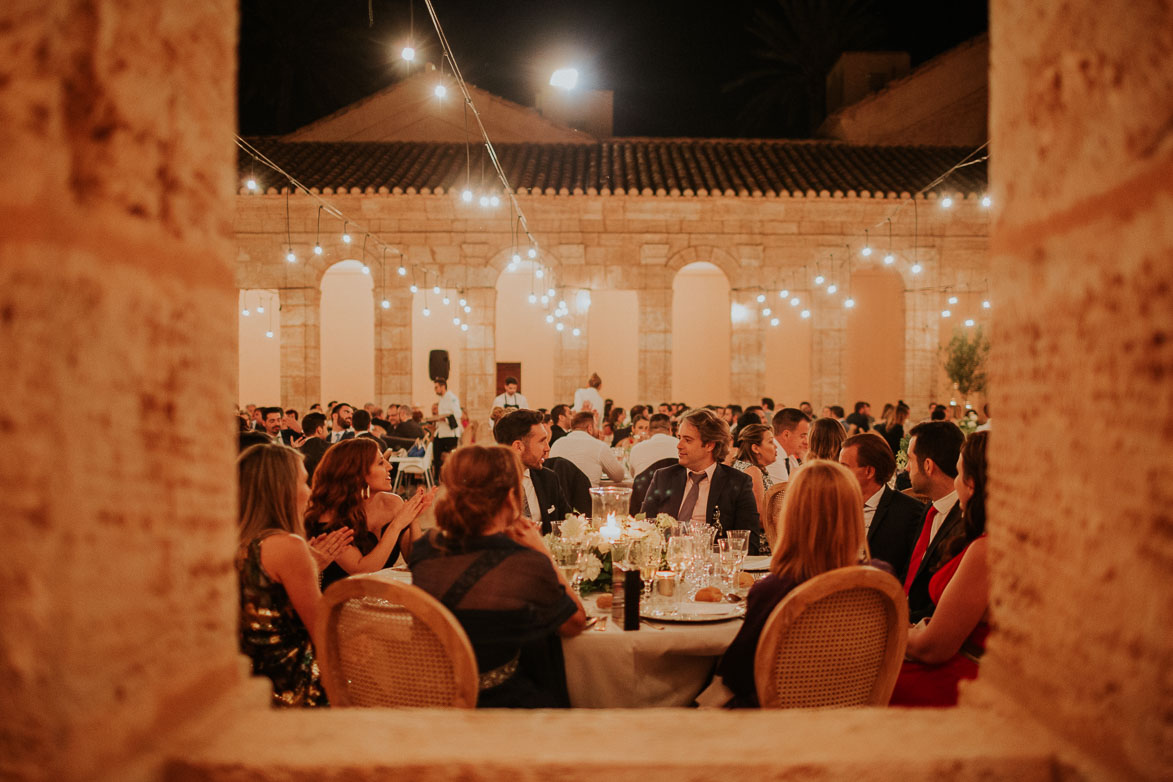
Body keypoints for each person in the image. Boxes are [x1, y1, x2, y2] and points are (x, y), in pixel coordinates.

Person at [409, 445, 586, 708]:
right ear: (511, 497)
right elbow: (575, 622)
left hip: (439, 697)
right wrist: (543, 552)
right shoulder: (523, 562)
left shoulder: (425, 549)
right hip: (503, 703)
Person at [713, 460, 892, 707]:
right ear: (854, 513)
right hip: (855, 715)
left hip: (780, 724)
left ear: (792, 515)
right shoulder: (880, 581)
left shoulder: (775, 590)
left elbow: (737, 676)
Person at [235, 443, 353, 707]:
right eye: (304, 481)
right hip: (292, 689)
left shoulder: (238, 543)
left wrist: (313, 567)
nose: (310, 493)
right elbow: (321, 631)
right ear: (283, 489)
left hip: (250, 683)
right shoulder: (288, 546)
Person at [890, 431, 990, 706]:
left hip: (968, 672)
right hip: (953, 649)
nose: (954, 482)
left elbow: (934, 649)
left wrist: (889, 632)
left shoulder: (985, 550)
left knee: (864, 679)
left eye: (958, 474)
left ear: (970, 483)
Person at [304, 438, 434, 591]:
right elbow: (361, 570)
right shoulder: (329, 516)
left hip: (380, 597)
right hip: (342, 602)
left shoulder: (393, 503)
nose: (390, 466)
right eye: (380, 463)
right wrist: (397, 525)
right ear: (357, 473)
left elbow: (415, 561)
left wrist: (413, 516)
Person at [640, 408, 766, 554]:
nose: (679, 445)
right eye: (679, 437)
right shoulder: (664, 478)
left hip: (713, 568)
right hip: (668, 565)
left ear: (709, 445)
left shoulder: (738, 483)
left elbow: (748, 544)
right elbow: (644, 527)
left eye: (687, 440)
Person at [839, 433, 924, 583]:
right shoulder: (833, 507)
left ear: (869, 472)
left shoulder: (909, 513)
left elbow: (910, 572)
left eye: (844, 467)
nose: (838, 473)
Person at [903, 421, 966, 622]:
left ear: (928, 466)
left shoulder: (965, 521)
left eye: (910, 460)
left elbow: (945, 603)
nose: (906, 468)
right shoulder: (931, 509)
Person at [493, 409, 572, 534]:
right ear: (518, 447)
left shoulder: (548, 478)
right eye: (542, 441)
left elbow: (569, 522)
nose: (547, 448)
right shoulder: (487, 484)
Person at [548, 412, 625, 487]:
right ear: (590, 428)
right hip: (588, 498)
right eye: (596, 426)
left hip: (559, 498)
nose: (598, 429)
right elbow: (618, 476)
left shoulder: (557, 443)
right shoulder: (599, 446)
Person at [730, 423, 777, 527]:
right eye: (770, 442)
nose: (775, 446)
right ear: (755, 448)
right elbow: (760, 518)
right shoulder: (752, 471)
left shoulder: (742, 465)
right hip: (759, 539)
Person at [425, 377, 463, 478]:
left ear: (443, 387)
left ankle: (451, 478)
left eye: (436, 387)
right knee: (436, 458)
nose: (435, 390)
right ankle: (437, 480)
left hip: (450, 434)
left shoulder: (452, 398)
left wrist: (444, 419)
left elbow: (458, 414)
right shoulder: (441, 399)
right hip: (441, 433)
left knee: (451, 459)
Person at [765, 407, 811, 485]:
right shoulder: (773, 458)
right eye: (802, 436)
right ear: (786, 435)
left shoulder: (790, 456)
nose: (806, 442)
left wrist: (804, 459)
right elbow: (785, 494)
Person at [628, 413, 679, 478]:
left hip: (645, 487)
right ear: (670, 430)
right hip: (675, 487)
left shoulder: (636, 448)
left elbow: (633, 476)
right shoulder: (680, 445)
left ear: (648, 430)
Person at [297, 411, 330, 482]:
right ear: (319, 430)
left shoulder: (296, 451)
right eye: (326, 428)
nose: (327, 432)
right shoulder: (330, 448)